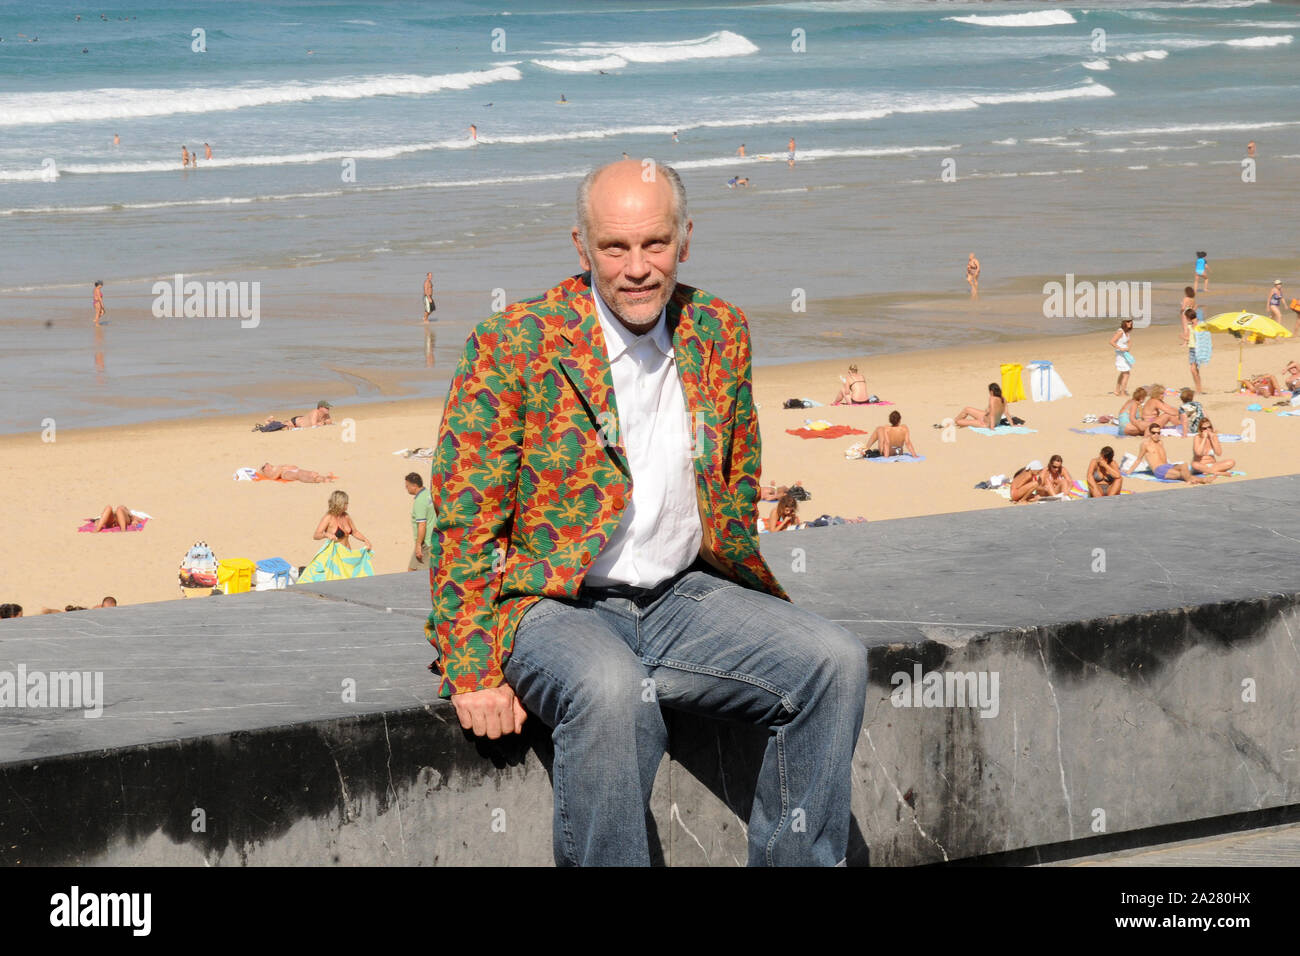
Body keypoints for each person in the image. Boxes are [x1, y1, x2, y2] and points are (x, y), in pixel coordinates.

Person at [424, 158, 868, 866]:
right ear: (581, 247)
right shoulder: (515, 343)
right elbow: (462, 519)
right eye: (615, 248)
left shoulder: (719, 330)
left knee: (835, 662)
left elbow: (738, 471)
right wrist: (473, 666)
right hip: (550, 605)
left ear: (684, 239)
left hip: (683, 597)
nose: (637, 267)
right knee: (610, 688)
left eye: (654, 244)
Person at [1124, 423, 1214, 484]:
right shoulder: (1145, 444)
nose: (1156, 435)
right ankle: (1201, 480)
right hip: (1159, 470)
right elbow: (1139, 459)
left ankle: (1198, 480)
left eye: (1158, 433)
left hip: (1167, 466)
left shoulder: (1160, 442)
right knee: (1181, 473)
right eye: (1154, 433)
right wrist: (1129, 472)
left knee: (1184, 467)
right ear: (1150, 433)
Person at [406, 472, 434, 570]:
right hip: (430, 539)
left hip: (425, 543)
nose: (406, 488)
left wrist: (418, 545)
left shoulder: (420, 501)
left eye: (407, 486)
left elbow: (422, 524)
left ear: (414, 486)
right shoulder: (429, 494)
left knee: (419, 574)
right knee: (412, 569)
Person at [1181, 305, 1204, 394]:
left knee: (1193, 370)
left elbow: (1202, 337)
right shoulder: (1190, 326)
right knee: (1194, 370)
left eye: (1186, 318)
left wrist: (1182, 337)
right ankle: (1199, 388)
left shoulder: (1200, 324)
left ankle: (1199, 388)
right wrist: (1184, 337)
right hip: (1192, 349)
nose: (1186, 320)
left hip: (1198, 349)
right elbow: (1189, 338)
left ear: (1189, 317)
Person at [1110, 318, 1134, 396]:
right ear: (1124, 322)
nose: (1130, 322)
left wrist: (1128, 348)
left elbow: (1129, 341)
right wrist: (1120, 348)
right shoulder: (1120, 332)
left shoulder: (1127, 332)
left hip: (1125, 354)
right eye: (1128, 321)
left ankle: (1117, 391)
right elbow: (1111, 342)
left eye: (1130, 321)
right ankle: (1122, 392)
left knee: (1123, 372)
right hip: (1120, 355)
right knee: (1126, 373)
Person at [259, 462, 334, 483]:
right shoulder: (269, 473)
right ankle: (319, 480)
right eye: (264, 466)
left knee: (307, 473)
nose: (267, 464)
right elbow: (273, 477)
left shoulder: (276, 467)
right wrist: (281, 469)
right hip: (286, 474)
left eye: (266, 463)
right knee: (299, 475)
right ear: (264, 470)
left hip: (292, 470)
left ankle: (324, 478)